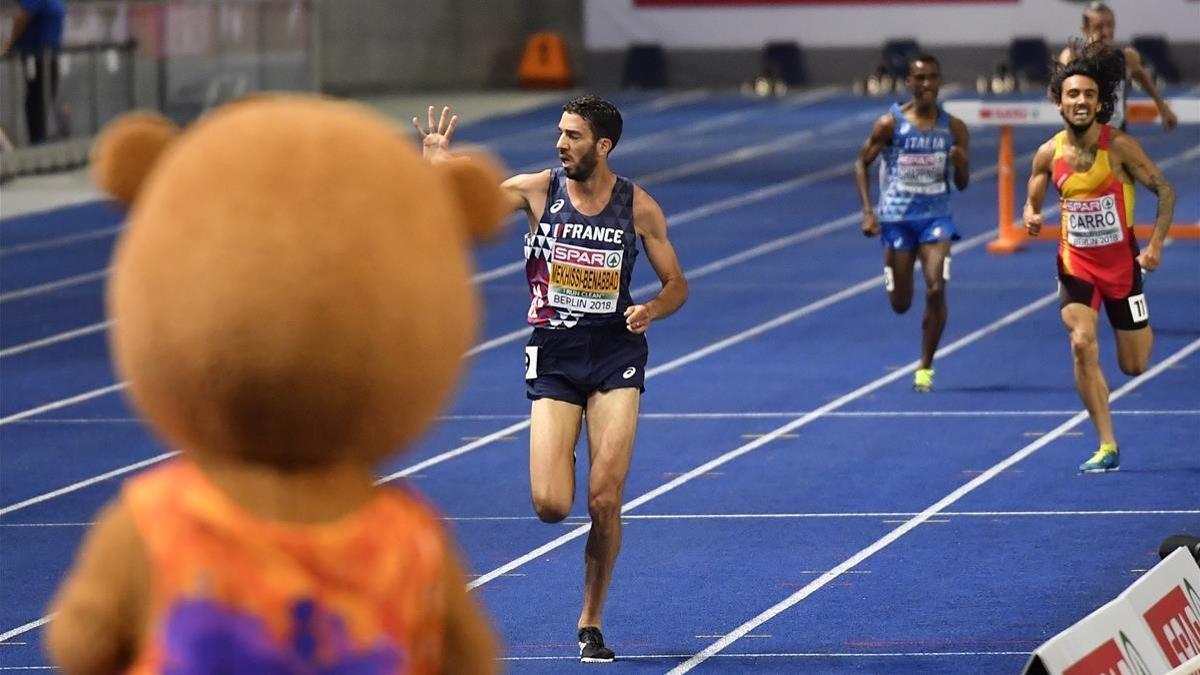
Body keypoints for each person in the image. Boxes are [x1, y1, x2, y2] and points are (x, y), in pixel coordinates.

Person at [413, 96, 688, 663]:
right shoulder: (538, 190)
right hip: (555, 354)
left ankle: (591, 619)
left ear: (603, 146)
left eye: (573, 136)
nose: (560, 144)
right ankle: (561, 443)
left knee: (604, 499)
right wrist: (438, 165)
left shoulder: (639, 208)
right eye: (559, 133)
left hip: (616, 352)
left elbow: (677, 284)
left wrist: (652, 310)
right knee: (551, 505)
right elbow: (469, 210)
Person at [1023, 44, 1175, 473]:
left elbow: (1165, 191)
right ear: (1060, 101)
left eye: (1089, 95)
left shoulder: (1119, 147)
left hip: (1123, 267)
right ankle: (1106, 444)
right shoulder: (1048, 153)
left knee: (1134, 365)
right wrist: (1030, 212)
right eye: (1073, 94)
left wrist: (1156, 245)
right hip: (1076, 265)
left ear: (1099, 102)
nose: (1081, 101)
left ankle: (1140, 324)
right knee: (1081, 343)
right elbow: (1033, 191)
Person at [854, 53, 969, 392]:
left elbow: (962, 183)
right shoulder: (890, 124)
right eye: (919, 78)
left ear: (940, 81)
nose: (926, 85)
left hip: (936, 219)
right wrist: (867, 211)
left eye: (932, 78)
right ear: (909, 82)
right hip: (897, 220)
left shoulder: (953, 128)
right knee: (901, 304)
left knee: (936, 288)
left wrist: (961, 164)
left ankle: (925, 367)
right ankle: (894, 278)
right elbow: (861, 164)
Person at [1058, 1, 1178, 132]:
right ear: (1085, 30)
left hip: (1115, 137)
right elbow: (1058, 90)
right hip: (1083, 136)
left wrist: (1163, 108)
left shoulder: (1127, 58)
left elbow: (1142, 76)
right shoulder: (1072, 58)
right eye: (1098, 27)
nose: (1106, 32)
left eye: (1110, 25)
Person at [2, 0, 66, 145]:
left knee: (44, 96)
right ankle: (37, 139)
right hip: (36, 56)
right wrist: (11, 44)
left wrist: (11, 44)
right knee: (37, 97)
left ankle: (40, 138)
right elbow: (22, 17)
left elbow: (23, 16)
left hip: (47, 55)